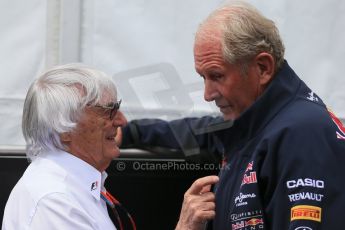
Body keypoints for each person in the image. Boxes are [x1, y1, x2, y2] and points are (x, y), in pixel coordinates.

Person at [120, 1, 345, 229]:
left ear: (263, 68)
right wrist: (129, 132)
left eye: (217, 76)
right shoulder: (251, 123)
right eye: (203, 77)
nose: (207, 94)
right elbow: (200, 132)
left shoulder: (303, 135)